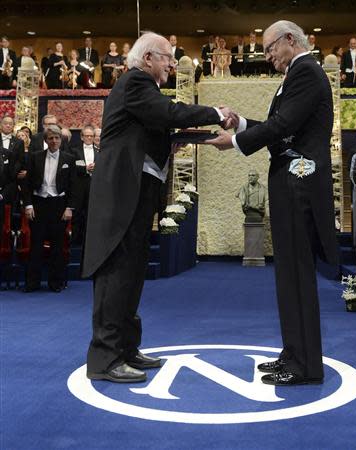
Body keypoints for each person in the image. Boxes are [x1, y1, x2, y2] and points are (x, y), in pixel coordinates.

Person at [82, 31, 233, 383]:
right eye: (168, 56)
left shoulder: (141, 89)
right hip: (121, 195)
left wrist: (185, 139)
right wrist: (215, 113)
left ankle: (126, 348)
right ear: (148, 58)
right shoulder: (135, 82)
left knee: (133, 271)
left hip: (137, 193)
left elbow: (156, 126)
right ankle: (104, 358)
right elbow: (166, 113)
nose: (171, 63)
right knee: (117, 270)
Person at [207, 20, 338, 386]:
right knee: (288, 276)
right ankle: (293, 353)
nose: (267, 57)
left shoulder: (307, 73)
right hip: (290, 183)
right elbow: (280, 124)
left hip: (299, 183)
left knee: (297, 277)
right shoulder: (298, 74)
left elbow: (282, 126)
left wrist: (233, 143)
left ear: (290, 40)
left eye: (269, 49)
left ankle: (306, 366)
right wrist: (242, 123)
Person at [22, 125, 78, 292]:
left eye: (57, 138)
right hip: (38, 204)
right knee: (36, 245)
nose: (54, 141)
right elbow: (26, 183)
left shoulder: (69, 158)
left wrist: (69, 207)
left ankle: (55, 283)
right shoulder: (34, 157)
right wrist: (28, 205)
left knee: (57, 246)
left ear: (61, 140)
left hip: (58, 205)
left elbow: (74, 186)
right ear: (45, 140)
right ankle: (33, 283)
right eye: (51, 138)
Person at [71, 125, 99, 245]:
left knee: (91, 214)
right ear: (82, 137)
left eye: (91, 136)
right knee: (77, 214)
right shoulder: (74, 150)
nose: (89, 138)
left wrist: (97, 167)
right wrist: (86, 168)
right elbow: (71, 167)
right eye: (86, 136)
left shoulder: (99, 151)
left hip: (94, 186)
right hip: (79, 186)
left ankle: (88, 241)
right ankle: (75, 240)